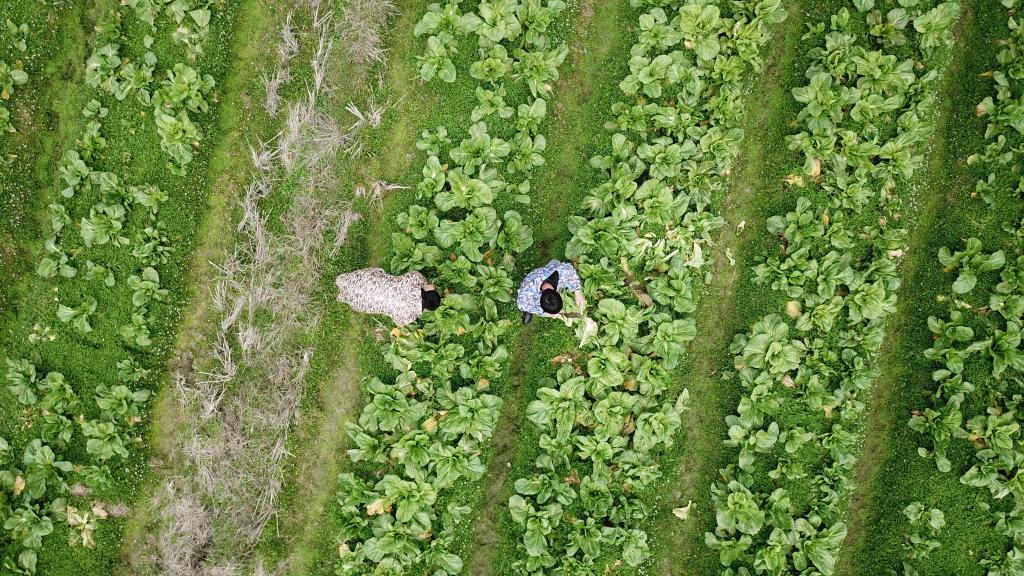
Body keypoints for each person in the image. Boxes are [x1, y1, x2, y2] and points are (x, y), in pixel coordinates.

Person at [336, 268, 441, 326]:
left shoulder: (413, 281)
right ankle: (346, 296)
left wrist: (426, 286)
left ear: (430, 291)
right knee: (360, 300)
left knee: (361, 281)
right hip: (365, 302)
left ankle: (343, 282)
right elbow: (398, 322)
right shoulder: (409, 316)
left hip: (368, 282)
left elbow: (415, 273)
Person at [517, 260, 586, 324]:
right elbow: (523, 305)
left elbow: (570, 271)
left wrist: (578, 292)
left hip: (546, 272)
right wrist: (548, 314)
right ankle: (528, 313)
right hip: (530, 280)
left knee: (555, 262)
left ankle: (553, 263)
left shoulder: (562, 272)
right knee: (529, 308)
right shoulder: (525, 297)